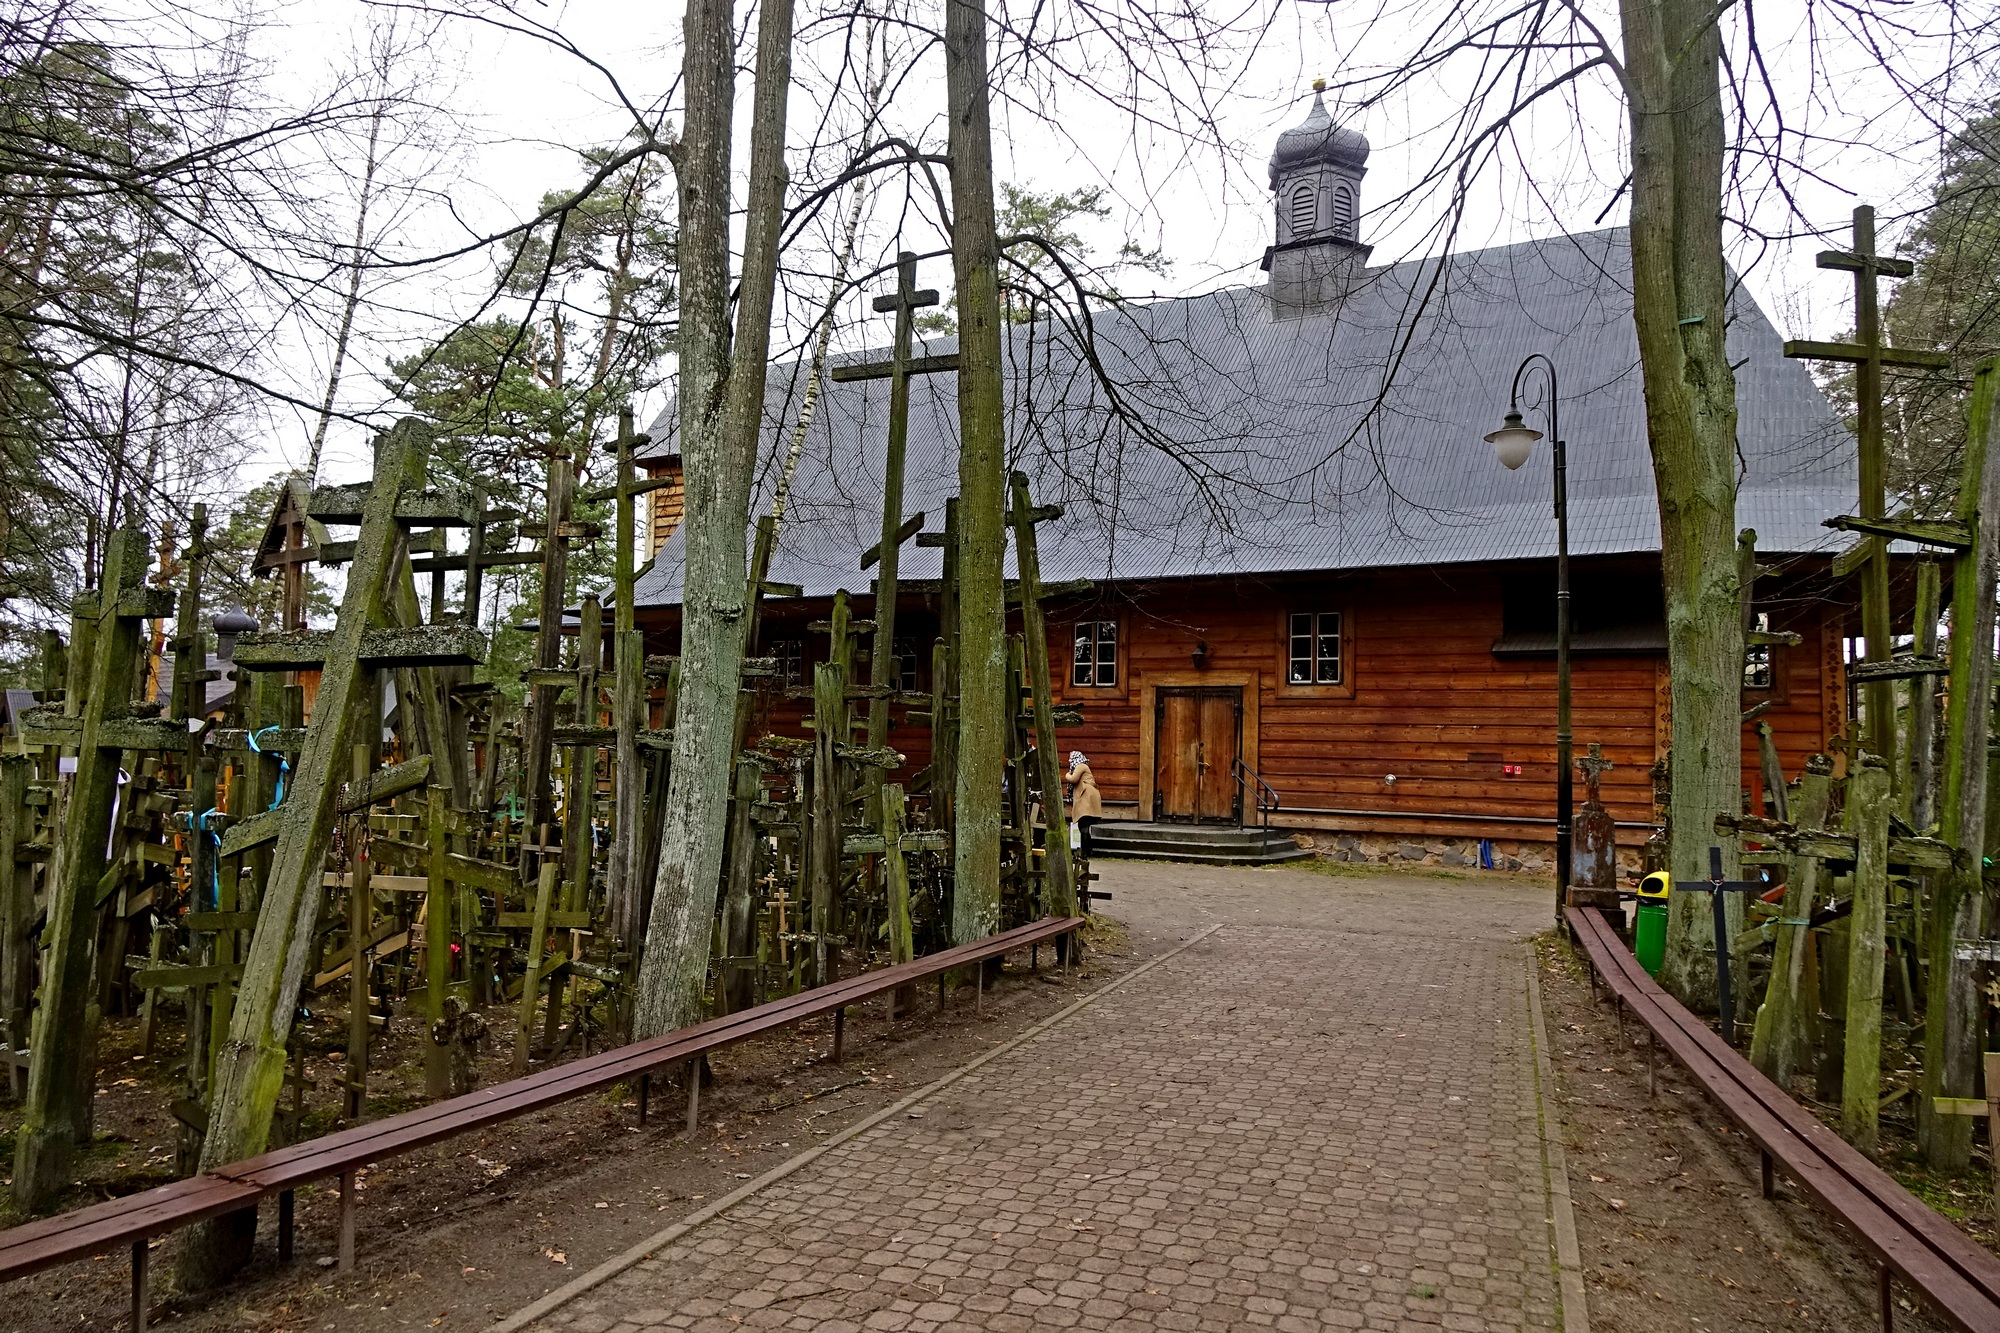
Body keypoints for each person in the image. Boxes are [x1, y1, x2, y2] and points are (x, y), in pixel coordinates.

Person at [1065, 750, 1103, 858]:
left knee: (1084, 826)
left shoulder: (1081, 765)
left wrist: (1067, 775)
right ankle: (1087, 850)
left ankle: (1084, 853)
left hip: (1087, 797)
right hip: (1086, 797)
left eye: (1071, 758)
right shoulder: (1081, 766)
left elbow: (1073, 779)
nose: (1069, 760)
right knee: (1083, 826)